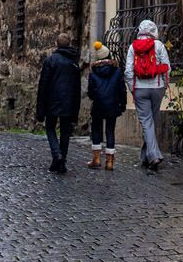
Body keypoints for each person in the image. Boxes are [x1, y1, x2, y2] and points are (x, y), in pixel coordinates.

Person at [124, 18, 171, 172]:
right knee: (151, 121)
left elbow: (128, 71)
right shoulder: (159, 45)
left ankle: (152, 156)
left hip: (140, 89)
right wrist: (163, 86)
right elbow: (167, 67)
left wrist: (133, 89)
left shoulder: (133, 47)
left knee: (146, 122)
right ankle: (147, 155)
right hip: (157, 87)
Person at [35, 32, 81, 173]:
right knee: (65, 131)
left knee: (50, 128)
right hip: (68, 101)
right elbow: (77, 87)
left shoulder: (51, 60)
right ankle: (61, 160)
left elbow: (44, 84)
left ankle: (57, 155)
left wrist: (40, 107)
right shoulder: (73, 62)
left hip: (52, 100)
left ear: (57, 44)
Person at [87, 40, 126, 172]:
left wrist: (96, 97)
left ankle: (96, 159)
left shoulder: (93, 73)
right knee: (110, 131)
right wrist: (123, 104)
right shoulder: (117, 71)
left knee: (96, 130)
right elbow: (122, 90)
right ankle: (109, 162)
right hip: (113, 105)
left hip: (98, 105)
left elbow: (90, 93)